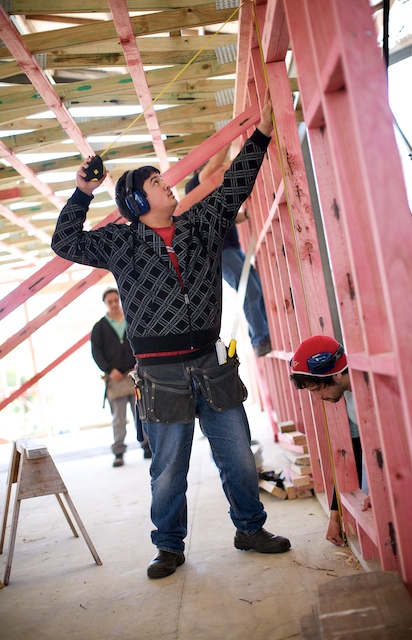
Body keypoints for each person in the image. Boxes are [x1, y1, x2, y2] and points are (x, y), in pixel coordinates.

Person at [52, 91, 291, 580]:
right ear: (138, 200)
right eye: (159, 183)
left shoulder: (200, 224)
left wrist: (262, 132)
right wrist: (83, 190)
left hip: (210, 361)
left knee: (239, 458)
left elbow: (237, 184)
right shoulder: (120, 242)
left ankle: (250, 528)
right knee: (167, 471)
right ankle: (168, 547)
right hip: (159, 375)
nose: (169, 186)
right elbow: (65, 241)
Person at [185, 146, 272, 357]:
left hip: (231, 248)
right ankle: (260, 340)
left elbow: (233, 219)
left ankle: (264, 334)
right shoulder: (193, 187)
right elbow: (214, 165)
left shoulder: (212, 197)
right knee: (249, 289)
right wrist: (227, 137)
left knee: (255, 287)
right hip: (220, 252)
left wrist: (249, 214)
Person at [289, 335, 370, 546]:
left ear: (334, 376)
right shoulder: (348, 399)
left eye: (316, 390)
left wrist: (386, 489)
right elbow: (353, 454)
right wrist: (336, 515)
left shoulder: (376, 390)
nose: (317, 399)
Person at [91, 287, 151, 467]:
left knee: (141, 413)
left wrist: (139, 363)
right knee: (118, 418)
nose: (114, 304)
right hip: (114, 378)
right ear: (105, 304)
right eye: (110, 302)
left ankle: (147, 446)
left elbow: (142, 342)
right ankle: (119, 452)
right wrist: (109, 370)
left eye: (116, 300)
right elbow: (96, 352)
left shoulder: (131, 320)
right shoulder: (99, 327)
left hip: (134, 375)